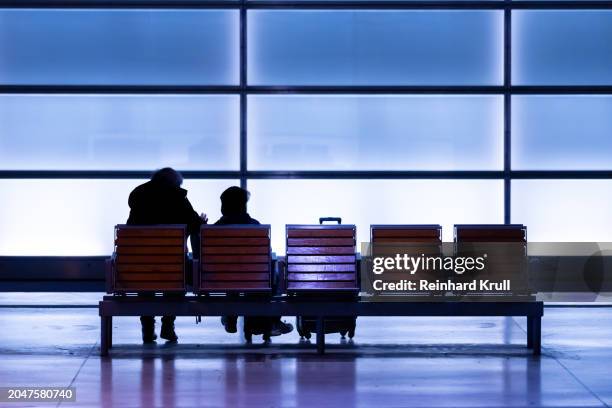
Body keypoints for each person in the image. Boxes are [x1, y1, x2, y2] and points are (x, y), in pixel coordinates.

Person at [127, 167, 207, 343]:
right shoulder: (177, 198)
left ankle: (147, 327)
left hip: (141, 265)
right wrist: (201, 221)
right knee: (178, 277)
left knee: (145, 281)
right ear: (174, 184)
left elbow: (131, 228)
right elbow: (194, 225)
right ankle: (167, 325)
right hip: (172, 266)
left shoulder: (138, 196)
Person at [214, 186, 293, 337]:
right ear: (243, 205)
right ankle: (271, 321)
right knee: (271, 273)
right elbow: (265, 255)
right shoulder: (255, 226)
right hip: (252, 279)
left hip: (222, 280)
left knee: (233, 276)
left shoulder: (215, 229)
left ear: (224, 205)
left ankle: (230, 317)